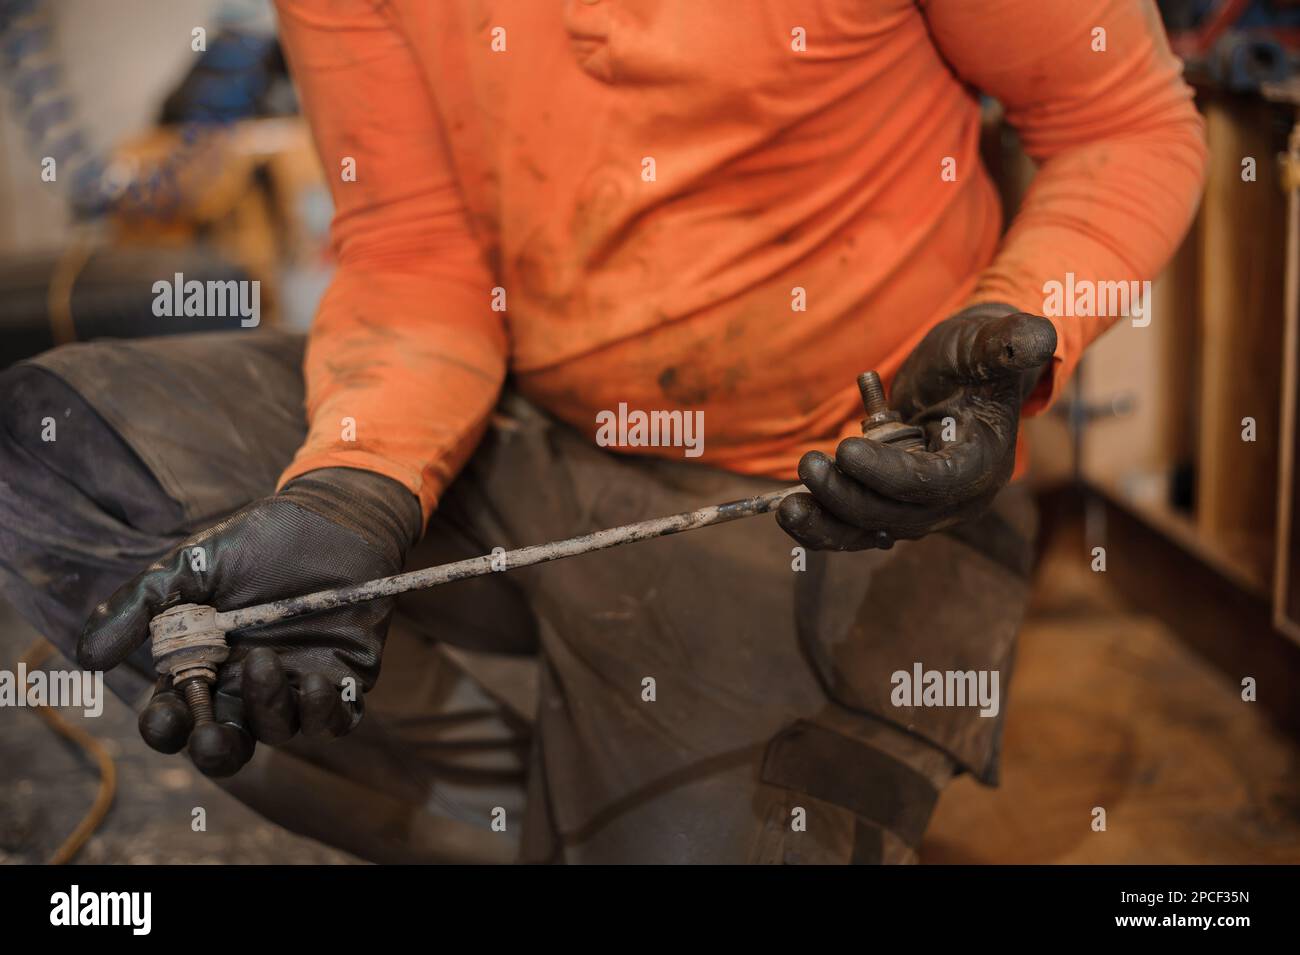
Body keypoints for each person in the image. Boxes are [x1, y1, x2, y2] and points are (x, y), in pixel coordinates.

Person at [0, 0, 1205, 863]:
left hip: (831, 491)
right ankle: (536, 804)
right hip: (521, 431)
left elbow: (1125, 123)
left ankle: (627, 789)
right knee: (65, 450)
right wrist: (351, 492)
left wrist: (1016, 328)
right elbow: (414, 249)